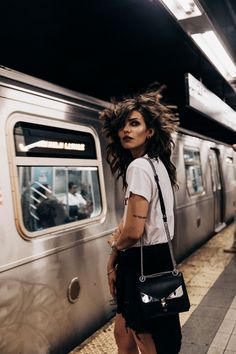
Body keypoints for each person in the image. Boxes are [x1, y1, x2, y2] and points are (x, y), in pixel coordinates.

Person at [100, 86, 182, 354]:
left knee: (145, 340)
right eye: (123, 126)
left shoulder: (138, 167)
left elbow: (134, 232)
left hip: (141, 262)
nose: (126, 130)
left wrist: (114, 249)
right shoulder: (158, 165)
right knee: (123, 332)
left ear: (149, 132)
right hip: (159, 257)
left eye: (134, 124)